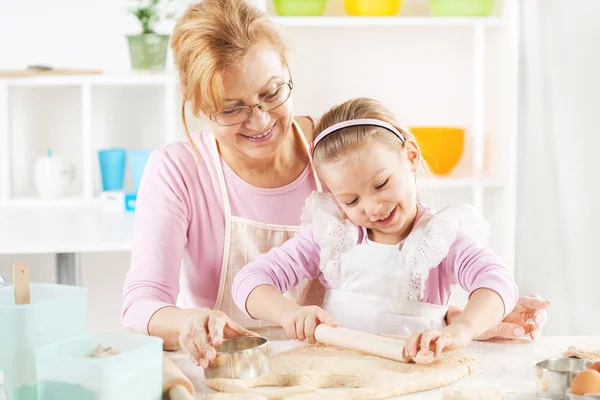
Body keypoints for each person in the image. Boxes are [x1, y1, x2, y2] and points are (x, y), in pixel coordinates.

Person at [121, 0, 550, 368]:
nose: (260, 121)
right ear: (199, 107)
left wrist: (456, 320)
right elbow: (141, 302)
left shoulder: (339, 154)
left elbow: (375, 277)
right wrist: (189, 322)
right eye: (232, 109)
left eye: (271, 93)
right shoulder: (178, 170)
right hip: (233, 368)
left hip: (338, 364)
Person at [232, 97, 522, 361]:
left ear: (410, 156)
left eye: (381, 184)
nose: (372, 208)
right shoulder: (331, 236)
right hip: (338, 376)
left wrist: (462, 329)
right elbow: (249, 280)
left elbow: (497, 281)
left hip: (419, 378)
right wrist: (288, 313)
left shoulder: (441, 235)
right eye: (351, 200)